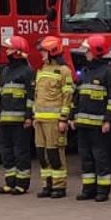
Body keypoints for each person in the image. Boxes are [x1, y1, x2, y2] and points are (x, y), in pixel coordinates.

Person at [71, 35, 111, 202]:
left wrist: (108, 119)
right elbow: (76, 97)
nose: (85, 53)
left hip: (99, 125)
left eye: (88, 50)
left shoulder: (109, 72)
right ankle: (88, 189)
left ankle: (103, 191)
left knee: (101, 158)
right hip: (83, 124)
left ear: (96, 51)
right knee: (85, 158)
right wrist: (72, 117)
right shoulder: (85, 72)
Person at [32, 36, 76, 199]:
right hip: (40, 120)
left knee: (55, 154)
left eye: (43, 51)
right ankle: (47, 184)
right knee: (41, 153)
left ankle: (59, 186)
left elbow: (67, 96)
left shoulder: (64, 71)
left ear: (52, 52)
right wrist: (35, 115)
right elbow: (38, 95)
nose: (41, 54)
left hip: (54, 120)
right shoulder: (42, 69)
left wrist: (63, 119)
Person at [0, 36, 36, 195]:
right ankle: (10, 182)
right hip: (4, 119)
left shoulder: (27, 72)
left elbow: (31, 97)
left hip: (20, 121)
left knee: (21, 152)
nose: (7, 52)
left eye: (10, 49)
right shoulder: (5, 71)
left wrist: (28, 116)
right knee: (6, 152)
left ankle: (22, 183)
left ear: (18, 52)